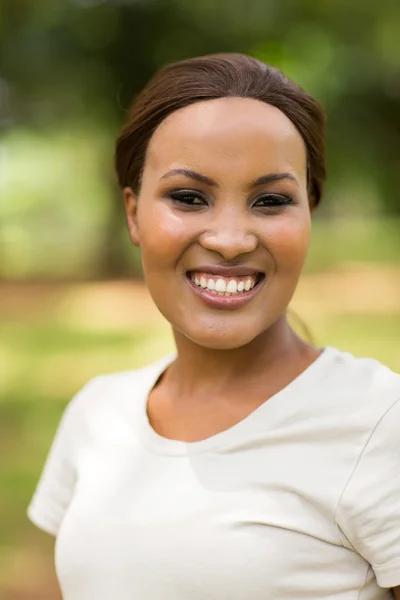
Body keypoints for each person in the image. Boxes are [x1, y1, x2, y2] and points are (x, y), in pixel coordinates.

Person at [27, 53, 400, 600]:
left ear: (309, 214)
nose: (230, 239)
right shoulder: (96, 413)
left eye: (270, 201)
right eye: (188, 197)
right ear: (133, 214)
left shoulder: (378, 423)